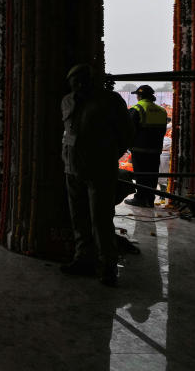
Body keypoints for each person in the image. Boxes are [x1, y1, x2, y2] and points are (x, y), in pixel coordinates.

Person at [60, 63, 134, 286]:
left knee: (101, 220)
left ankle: (107, 266)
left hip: (100, 169)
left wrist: (107, 155)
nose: (79, 85)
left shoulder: (109, 101)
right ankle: (83, 259)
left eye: (83, 80)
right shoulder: (67, 101)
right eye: (74, 81)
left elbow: (127, 134)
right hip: (72, 167)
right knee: (79, 218)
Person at [125, 84, 168, 208]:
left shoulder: (137, 109)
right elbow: (162, 130)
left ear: (139, 96)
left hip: (140, 149)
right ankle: (150, 199)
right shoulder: (162, 111)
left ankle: (140, 198)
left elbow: (129, 129)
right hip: (156, 150)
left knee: (141, 174)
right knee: (152, 175)